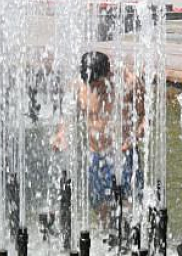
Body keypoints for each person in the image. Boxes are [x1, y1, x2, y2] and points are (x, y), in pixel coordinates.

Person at [52, 51, 145, 230]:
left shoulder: (129, 83)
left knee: (129, 206)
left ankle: (130, 244)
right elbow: (69, 116)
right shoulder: (79, 86)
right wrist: (61, 134)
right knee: (101, 208)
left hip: (123, 154)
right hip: (96, 156)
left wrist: (134, 136)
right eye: (91, 85)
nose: (94, 89)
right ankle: (109, 246)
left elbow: (146, 116)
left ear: (108, 74)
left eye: (98, 85)